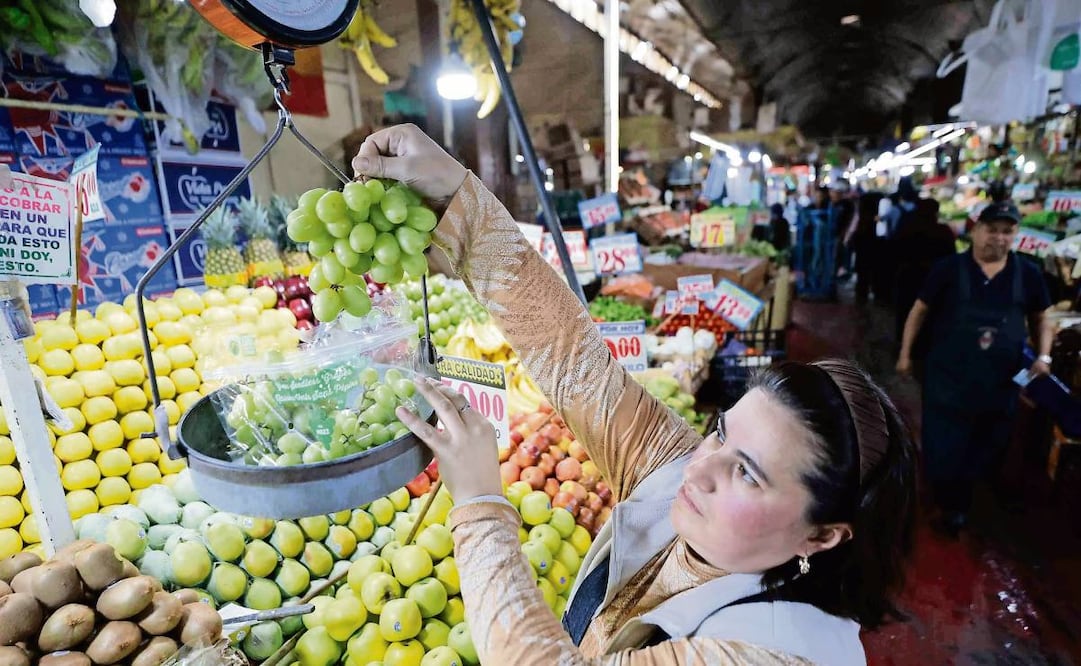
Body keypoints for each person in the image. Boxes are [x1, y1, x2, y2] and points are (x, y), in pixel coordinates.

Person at [354, 125, 919, 665]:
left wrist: (479, 503)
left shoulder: (782, 650)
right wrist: (458, 195)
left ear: (821, 536)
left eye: (747, 473)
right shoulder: (678, 473)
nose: (700, 469)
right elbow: (572, 357)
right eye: (720, 433)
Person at [897, 201, 1054, 535]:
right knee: (943, 446)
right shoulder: (948, 269)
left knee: (988, 444)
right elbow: (919, 311)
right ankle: (948, 503)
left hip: (999, 381)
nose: (997, 238)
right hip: (947, 379)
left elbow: (1042, 318)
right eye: (990, 229)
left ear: (1015, 236)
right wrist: (906, 354)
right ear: (974, 230)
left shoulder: (1028, 274)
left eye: (1006, 231)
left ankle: (962, 500)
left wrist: (1044, 356)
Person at [892, 199, 956, 347]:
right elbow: (951, 255)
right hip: (932, 279)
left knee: (906, 310)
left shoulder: (907, 227)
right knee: (927, 314)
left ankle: (904, 342)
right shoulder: (943, 231)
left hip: (908, 276)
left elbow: (895, 250)